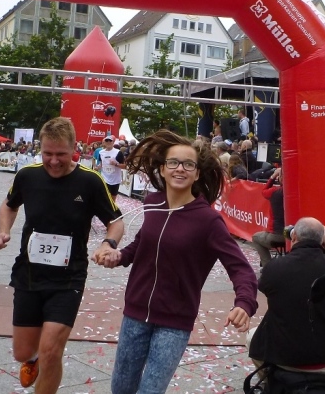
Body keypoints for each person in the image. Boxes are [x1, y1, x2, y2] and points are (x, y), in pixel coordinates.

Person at [93, 129, 258, 394]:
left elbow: (241, 268)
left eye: (188, 164)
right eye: (173, 162)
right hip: (135, 313)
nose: (180, 169)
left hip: (174, 322)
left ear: (197, 173)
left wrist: (244, 303)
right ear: (163, 169)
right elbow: (142, 243)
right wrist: (119, 256)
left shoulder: (208, 220)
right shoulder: (153, 203)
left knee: (150, 391)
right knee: (121, 388)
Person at [0, 117, 124, 393]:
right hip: (29, 274)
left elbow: (116, 221)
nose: (53, 161)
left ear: (75, 149)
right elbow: (9, 205)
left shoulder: (90, 181)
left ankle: (45, 362)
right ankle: (33, 359)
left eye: (61, 154)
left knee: (52, 350)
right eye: (47, 153)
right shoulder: (28, 175)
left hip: (68, 278)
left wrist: (108, 243)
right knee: (22, 351)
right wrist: (3, 231)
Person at [248, 217, 325, 377]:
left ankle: (271, 382)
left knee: (251, 337)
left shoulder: (276, 268)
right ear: (322, 239)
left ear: (294, 236)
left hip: (289, 359)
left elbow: (265, 287)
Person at [246, 168, 284, 268]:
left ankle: (267, 266)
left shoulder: (274, 192)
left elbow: (264, 191)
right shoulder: (296, 192)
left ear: (281, 178)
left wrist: (272, 177)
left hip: (277, 235)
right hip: (291, 235)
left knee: (255, 237)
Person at [98, 135, 126, 201]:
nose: (108, 142)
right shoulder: (101, 152)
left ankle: (111, 207)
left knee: (112, 200)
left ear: (113, 142)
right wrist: (98, 167)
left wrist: (116, 164)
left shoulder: (118, 152)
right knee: (104, 198)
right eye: (106, 141)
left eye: (110, 141)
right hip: (104, 179)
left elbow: (125, 166)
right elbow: (101, 164)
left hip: (115, 180)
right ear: (104, 142)